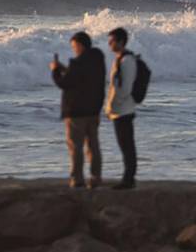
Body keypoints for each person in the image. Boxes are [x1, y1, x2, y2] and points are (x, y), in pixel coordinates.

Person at [50, 32, 107, 188]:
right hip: (94, 109)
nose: (74, 50)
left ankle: (77, 178)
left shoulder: (77, 64)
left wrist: (55, 70)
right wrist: (64, 68)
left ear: (81, 45)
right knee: (93, 145)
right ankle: (96, 177)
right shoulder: (98, 59)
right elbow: (80, 77)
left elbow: (64, 83)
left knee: (76, 146)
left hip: (76, 112)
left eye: (74, 46)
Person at [105, 27, 141, 190]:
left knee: (127, 145)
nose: (109, 44)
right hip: (119, 110)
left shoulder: (127, 61)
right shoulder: (119, 59)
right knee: (124, 144)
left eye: (112, 41)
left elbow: (125, 89)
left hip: (124, 110)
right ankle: (128, 177)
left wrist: (114, 105)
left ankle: (129, 178)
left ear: (120, 41)